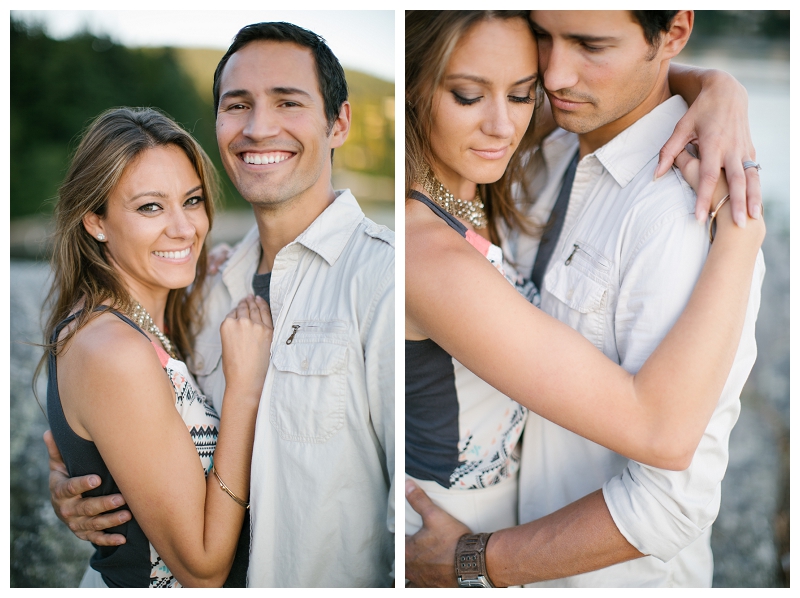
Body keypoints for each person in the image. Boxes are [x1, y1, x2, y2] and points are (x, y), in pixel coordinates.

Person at [404, 10, 764, 587]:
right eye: (543, 38)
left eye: (589, 45)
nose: (554, 75)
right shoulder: (549, 144)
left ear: (673, 32)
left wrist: (473, 561)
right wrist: (715, 85)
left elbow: (674, 496)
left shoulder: (683, 216)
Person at [45, 22, 394, 587]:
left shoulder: (384, 281)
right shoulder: (205, 285)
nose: (259, 127)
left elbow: (410, 507)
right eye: (238, 104)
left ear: (339, 122)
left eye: (288, 101)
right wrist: (81, 476)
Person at [40, 107, 274, 587]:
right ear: (96, 222)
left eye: (191, 201)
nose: (184, 228)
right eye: (150, 207)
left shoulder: (138, 319)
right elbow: (203, 570)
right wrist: (243, 392)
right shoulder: (114, 350)